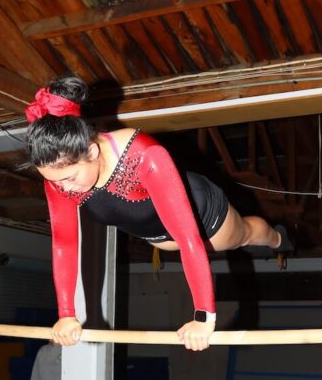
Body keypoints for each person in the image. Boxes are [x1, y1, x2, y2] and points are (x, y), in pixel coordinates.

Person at [25, 76, 294, 351]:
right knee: (176, 240)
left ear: (92, 151)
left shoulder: (145, 155)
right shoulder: (59, 178)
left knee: (245, 236)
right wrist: (66, 314)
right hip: (160, 236)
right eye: (54, 182)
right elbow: (64, 242)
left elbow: (189, 236)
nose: (63, 188)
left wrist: (203, 316)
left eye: (68, 179)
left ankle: (278, 239)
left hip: (202, 217)